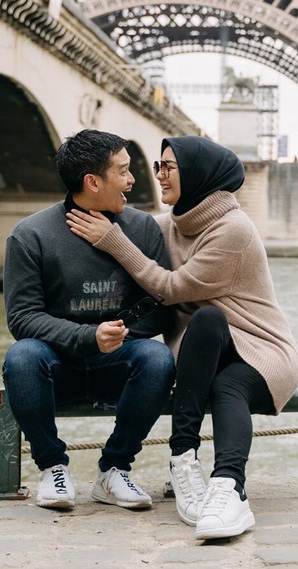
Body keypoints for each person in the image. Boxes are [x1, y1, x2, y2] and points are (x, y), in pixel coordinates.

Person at [66, 135, 298, 540]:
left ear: (198, 175)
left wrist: (115, 241)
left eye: (168, 167)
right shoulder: (169, 224)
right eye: (157, 166)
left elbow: (173, 288)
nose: (158, 175)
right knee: (211, 339)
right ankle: (200, 474)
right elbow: (122, 224)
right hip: (202, 358)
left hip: (261, 354)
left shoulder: (233, 229)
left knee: (215, 342)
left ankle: (217, 479)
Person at [2, 130, 176, 512]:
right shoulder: (30, 235)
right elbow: (22, 317)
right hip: (56, 364)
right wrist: (88, 336)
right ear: (93, 182)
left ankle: (114, 470)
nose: (133, 180)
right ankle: (52, 467)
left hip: (118, 361)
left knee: (158, 358)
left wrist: (119, 331)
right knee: (20, 358)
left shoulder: (142, 228)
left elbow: (160, 303)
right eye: (124, 171)